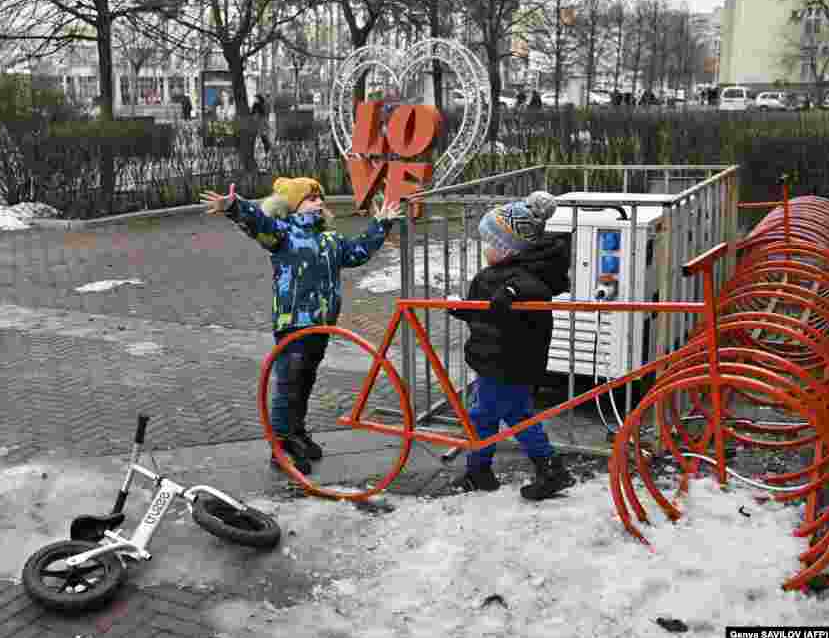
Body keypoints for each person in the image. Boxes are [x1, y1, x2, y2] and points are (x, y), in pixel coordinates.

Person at [199, 178, 400, 474]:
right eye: (311, 199)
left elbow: (358, 252)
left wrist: (380, 224)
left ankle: (296, 432)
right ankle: (280, 446)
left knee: (305, 380)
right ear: (293, 206)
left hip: (322, 324)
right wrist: (234, 206)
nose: (319, 203)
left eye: (320, 198)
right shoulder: (282, 234)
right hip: (293, 323)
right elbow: (258, 223)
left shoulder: (331, 239)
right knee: (289, 384)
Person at [447, 191, 575, 500]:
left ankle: (544, 468)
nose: (485, 249)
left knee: (492, 416)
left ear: (507, 249)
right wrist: (460, 307)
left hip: (504, 361)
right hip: (504, 360)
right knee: (505, 415)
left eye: (490, 243)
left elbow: (530, 291)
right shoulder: (501, 276)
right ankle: (485, 470)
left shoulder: (519, 279)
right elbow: (484, 312)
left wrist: (512, 291)